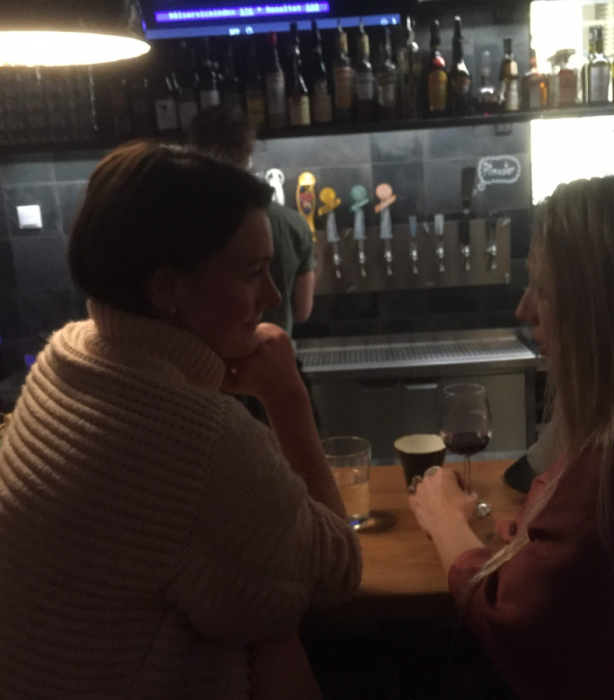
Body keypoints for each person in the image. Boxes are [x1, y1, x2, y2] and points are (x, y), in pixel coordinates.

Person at [0, 142, 361, 698]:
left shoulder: (67, 357)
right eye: (254, 273)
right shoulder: (199, 441)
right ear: (167, 288)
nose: (272, 295)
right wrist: (286, 397)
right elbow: (338, 570)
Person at [409, 169, 614, 699]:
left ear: (606, 302)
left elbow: (515, 621)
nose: (525, 310)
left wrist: (444, 518)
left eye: (542, 287)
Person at [189, 106, 316, 337]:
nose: (272, 297)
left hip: (201, 363)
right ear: (248, 152)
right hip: (276, 359)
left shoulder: (182, 221)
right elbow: (302, 311)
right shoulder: (293, 223)